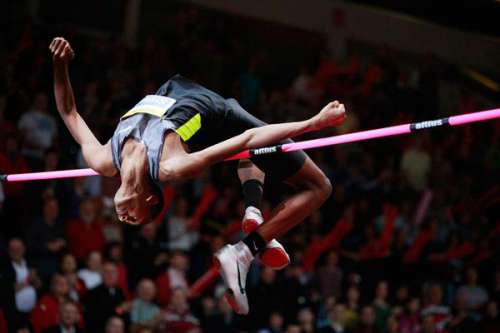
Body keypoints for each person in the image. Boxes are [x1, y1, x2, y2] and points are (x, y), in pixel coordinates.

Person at [49, 37, 345, 314]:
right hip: (220, 115)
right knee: (320, 186)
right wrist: (312, 123)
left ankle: (253, 210)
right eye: (136, 217)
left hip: (184, 95)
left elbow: (69, 112)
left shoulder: (104, 158)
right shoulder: (171, 165)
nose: (124, 218)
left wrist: (60, 65)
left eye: (130, 219)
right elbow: (249, 138)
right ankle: (245, 251)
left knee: (258, 159)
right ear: (150, 198)